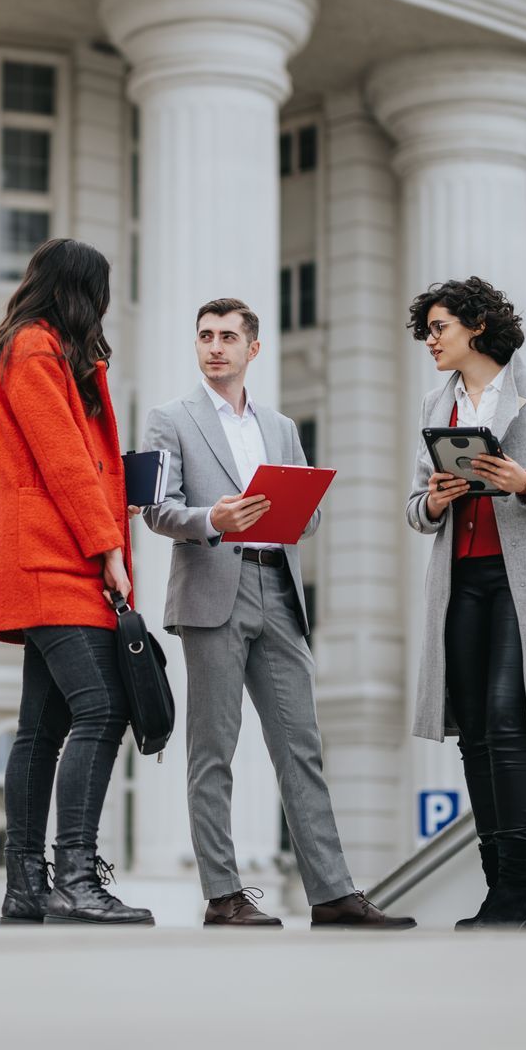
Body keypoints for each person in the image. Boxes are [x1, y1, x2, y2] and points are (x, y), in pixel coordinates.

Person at [141, 299, 414, 929]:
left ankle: (332, 893)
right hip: (213, 591)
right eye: (206, 336)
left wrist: (295, 510)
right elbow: (158, 511)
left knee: (301, 747)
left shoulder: (281, 426)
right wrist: (214, 518)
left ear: (251, 350)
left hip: (280, 593)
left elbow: (308, 516)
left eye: (228, 337)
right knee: (213, 749)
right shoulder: (170, 420)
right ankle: (222, 894)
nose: (215, 347)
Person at [406, 277, 526, 930]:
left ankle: (516, 893)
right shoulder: (437, 403)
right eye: (427, 332)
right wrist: (435, 499)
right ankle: (497, 892)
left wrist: (525, 481)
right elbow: (416, 508)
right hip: (460, 583)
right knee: (475, 732)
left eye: (439, 328)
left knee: (505, 717)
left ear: (476, 327)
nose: (430, 341)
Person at [0, 238, 153, 926]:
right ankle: (75, 875)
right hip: (56, 558)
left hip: (52, 552)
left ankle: (26, 888)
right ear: (82, 292)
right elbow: (64, 462)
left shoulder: (37, 352)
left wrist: (118, 499)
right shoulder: (36, 351)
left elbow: (81, 462)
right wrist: (108, 547)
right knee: (102, 710)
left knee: (41, 728)